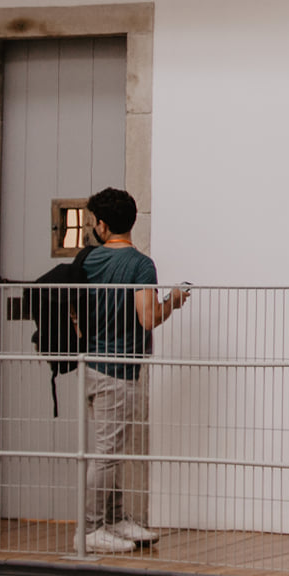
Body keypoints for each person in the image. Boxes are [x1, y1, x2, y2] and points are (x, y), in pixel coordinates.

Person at [76, 185, 188, 555]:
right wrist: (172, 301)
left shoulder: (87, 260)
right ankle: (90, 529)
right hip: (119, 369)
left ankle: (114, 519)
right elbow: (148, 318)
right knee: (107, 453)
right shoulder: (140, 265)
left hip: (91, 365)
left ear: (102, 225)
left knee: (110, 449)